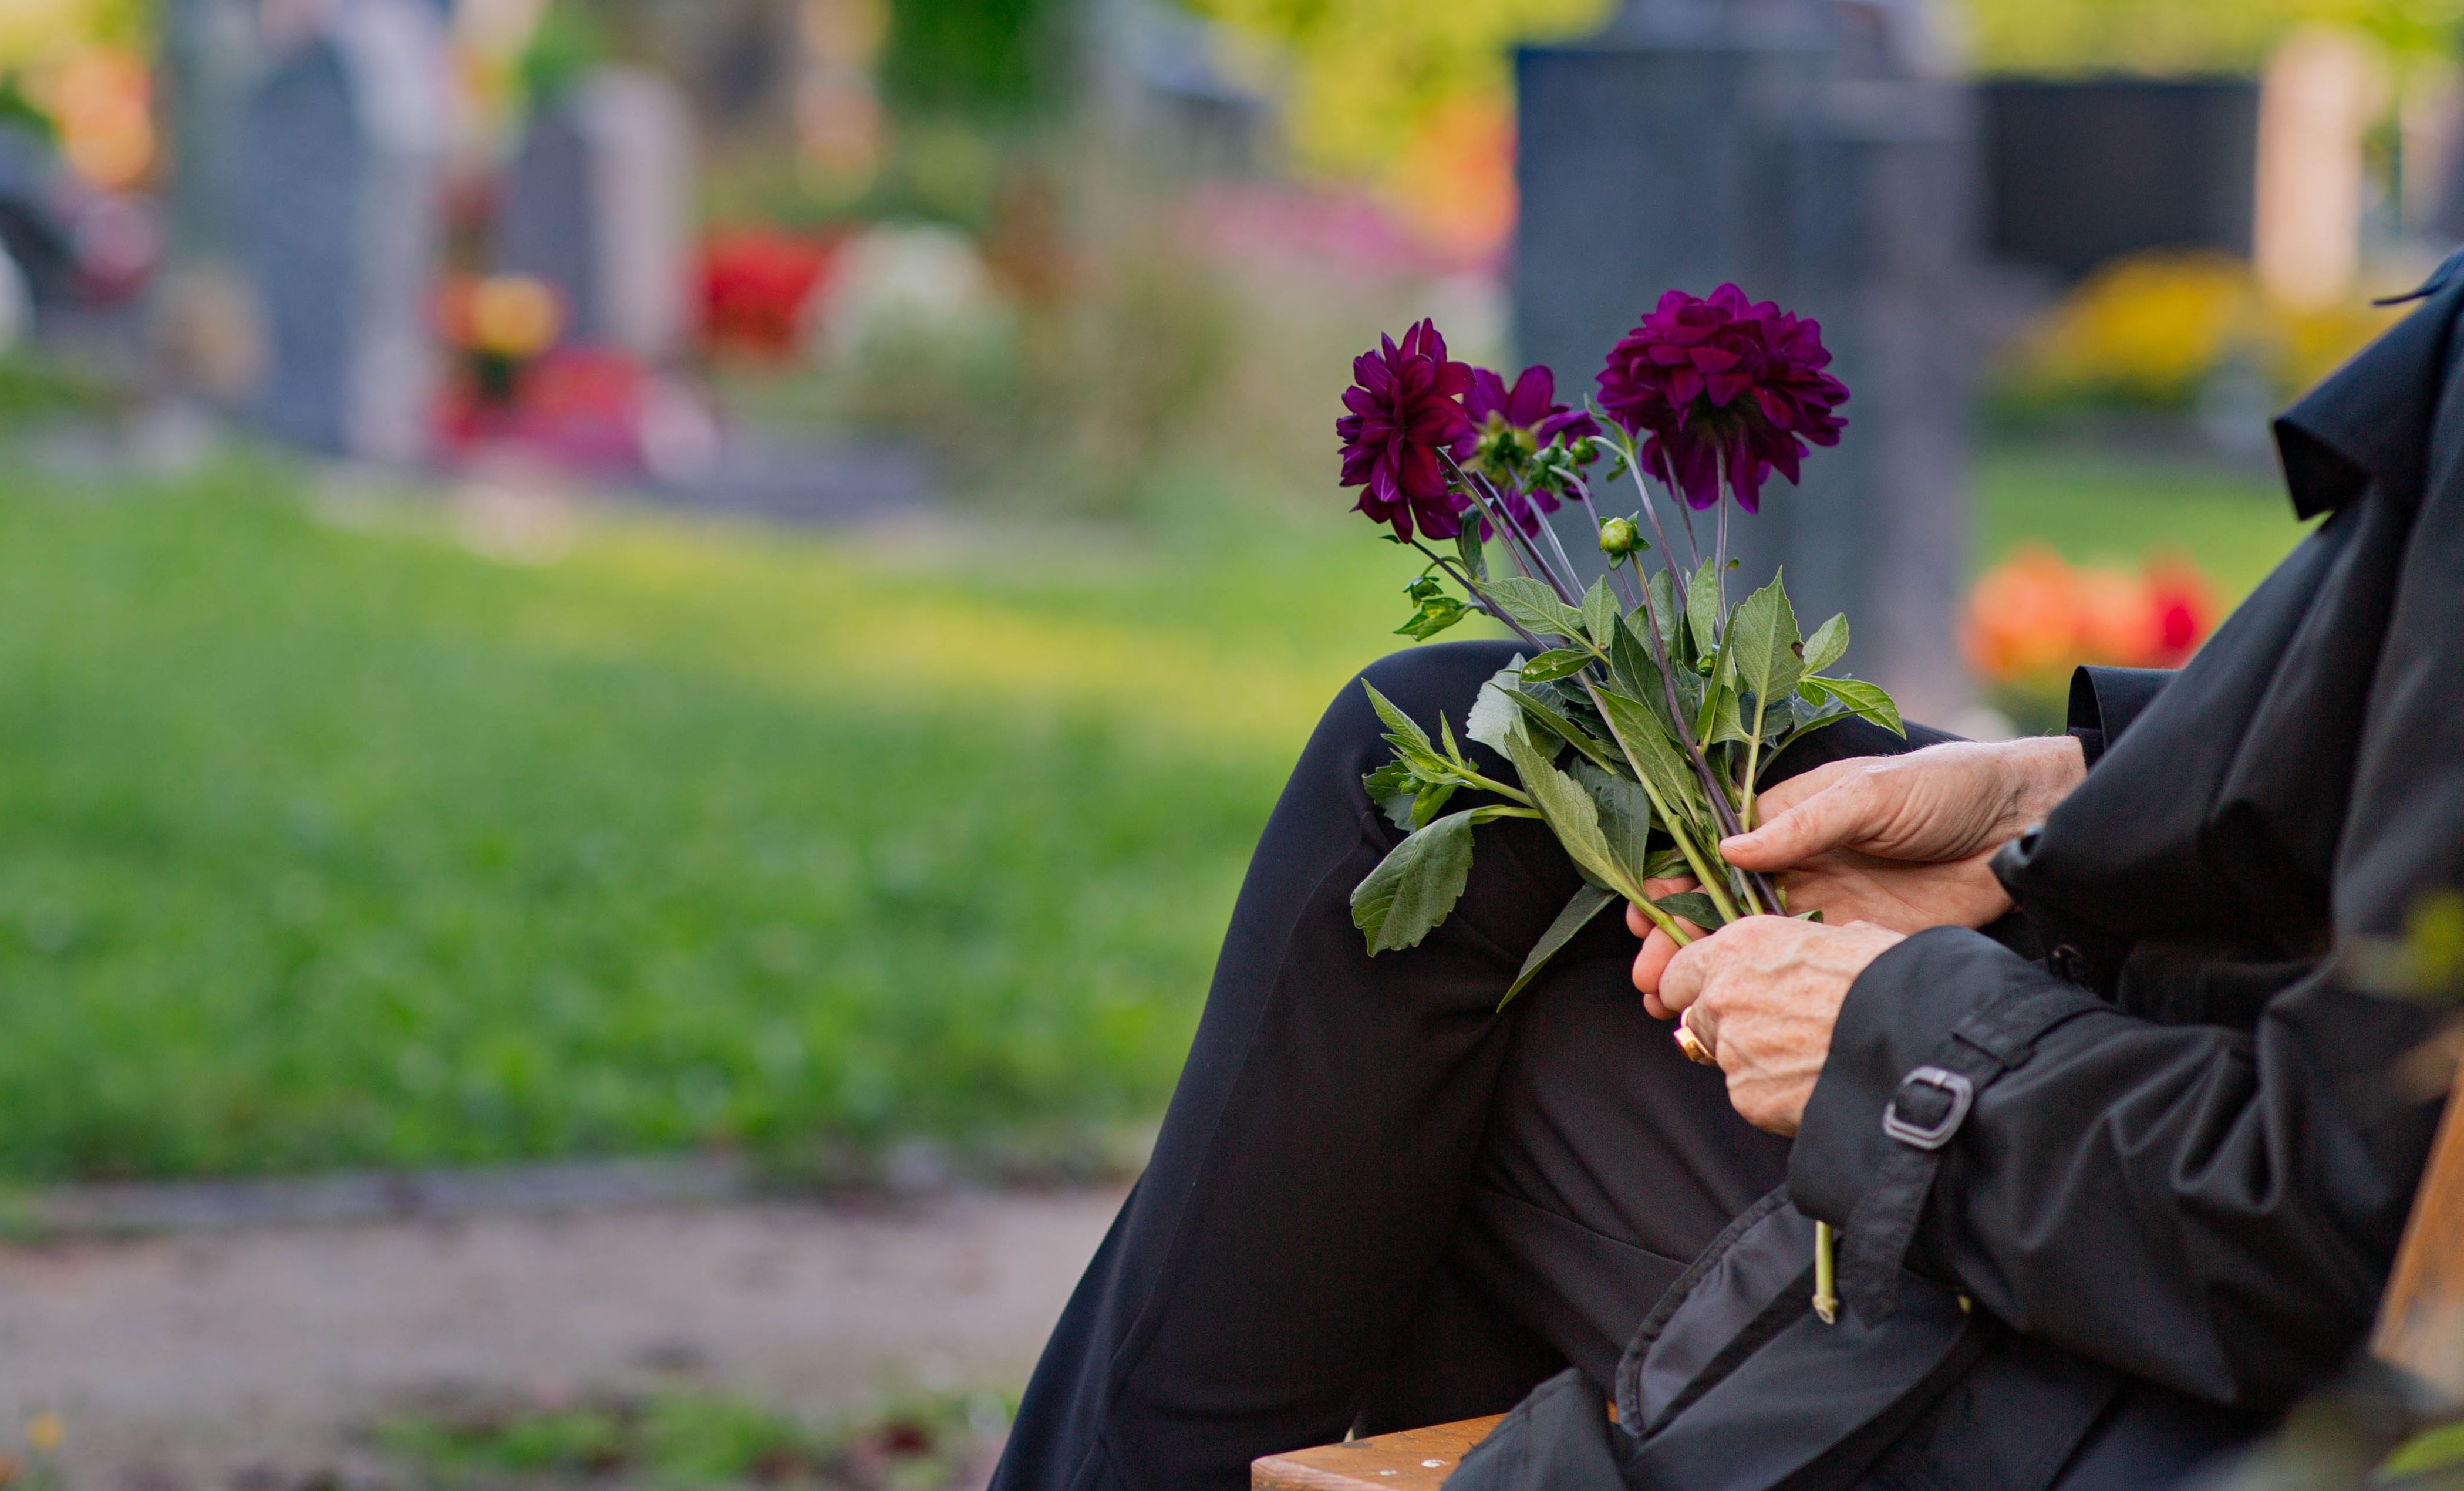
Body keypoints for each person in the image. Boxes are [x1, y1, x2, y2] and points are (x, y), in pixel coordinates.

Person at [989, 254, 2464, 1491]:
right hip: (2177, 1080)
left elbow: (2332, 1236)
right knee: (1487, 766)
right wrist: (2051, 804)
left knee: (1451, 961)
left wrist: (1890, 1037)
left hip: (2167, 1394)